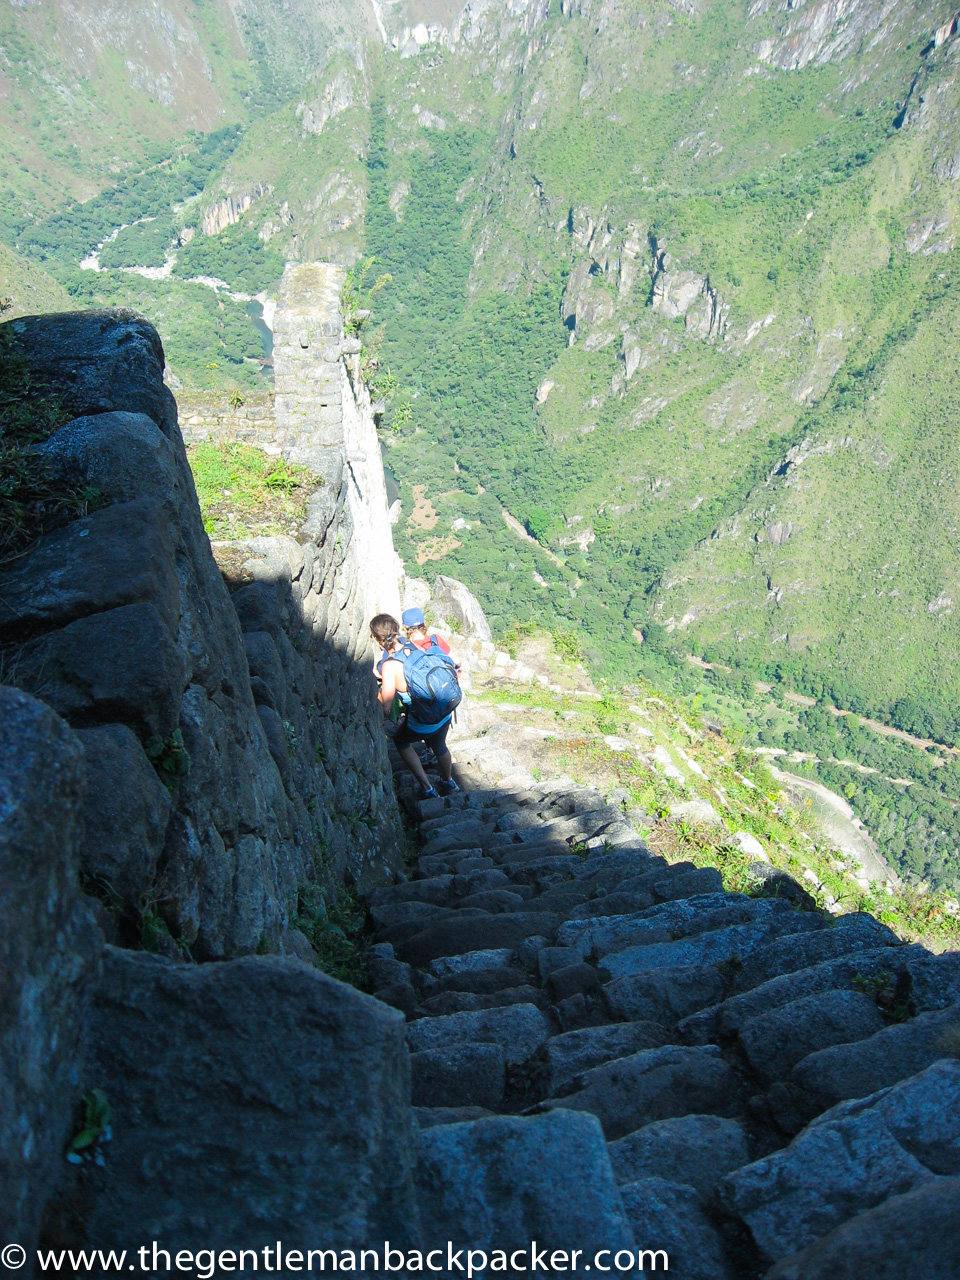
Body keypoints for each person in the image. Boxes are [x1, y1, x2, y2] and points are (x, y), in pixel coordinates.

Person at [370, 613, 461, 799]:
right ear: (397, 631)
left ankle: (427, 788)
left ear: (379, 641)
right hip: (444, 709)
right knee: (439, 745)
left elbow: (386, 707)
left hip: (425, 718)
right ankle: (448, 781)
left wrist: (377, 692)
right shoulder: (415, 644)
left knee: (400, 741)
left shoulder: (390, 666)